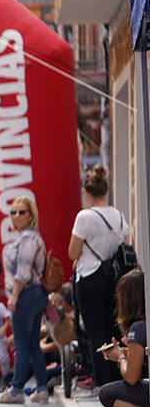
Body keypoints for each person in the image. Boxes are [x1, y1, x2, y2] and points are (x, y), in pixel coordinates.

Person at [67, 164, 131, 389]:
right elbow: (125, 247)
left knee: (95, 331)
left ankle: (101, 381)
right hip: (113, 279)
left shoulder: (84, 217)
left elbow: (73, 253)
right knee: (114, 328)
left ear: (87, 192)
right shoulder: (119, 215)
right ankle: (118, 375)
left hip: (89, 277)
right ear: (106, 190)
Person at [0, 196, 50, 404]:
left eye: (22, 212)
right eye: (13, 212)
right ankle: (42, 389)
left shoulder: (29, 238)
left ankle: (16, 390)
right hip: (34, 294)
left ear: (31, 215)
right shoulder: (25, 238)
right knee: (32, 343)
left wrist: (14, 296)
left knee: (21, 344)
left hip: (26, 294)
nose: (16, 216)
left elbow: (24, 272)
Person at [97, 271, 150, 407]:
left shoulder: (138, 327)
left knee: (106, 394)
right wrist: (128, 353)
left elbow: (132, 377)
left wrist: (120, 357)